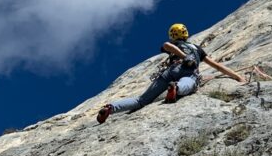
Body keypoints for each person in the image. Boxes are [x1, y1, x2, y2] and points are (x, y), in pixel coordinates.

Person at [97, 23, 246, 124]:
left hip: (170, 71)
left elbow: (166, 45)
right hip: (188, 70)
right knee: (190, 82)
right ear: (185, 33)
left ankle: (110, 108)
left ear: (174, 35)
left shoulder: (176, 44)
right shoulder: (197, 49)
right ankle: (176, 88)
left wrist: (181, 56)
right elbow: (217, 66)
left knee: (141, 100)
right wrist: (237, 77)